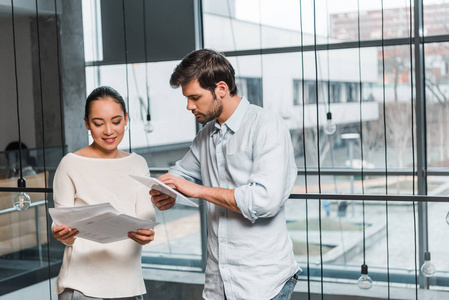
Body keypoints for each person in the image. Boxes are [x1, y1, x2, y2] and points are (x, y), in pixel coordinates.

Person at [150, 49, 301, 300]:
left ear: (221, 88)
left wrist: (198, 191)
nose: (189, 106)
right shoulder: (205, 137)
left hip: (262, 285)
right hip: (218, 284)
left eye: (195, 97)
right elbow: (180, 173)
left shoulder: (267, 125)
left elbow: (265, 201)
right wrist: (167, 191)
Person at [52, 86, 155, 300]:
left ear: (126, 119)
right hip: (81, 286)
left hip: (128, 285)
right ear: (87, 123)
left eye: (116, 121)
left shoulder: (137, 163)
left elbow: (145, 211)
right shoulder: (70, 164)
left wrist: (146, 230)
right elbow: (61, 219)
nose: (109, 131)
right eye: (98, 123)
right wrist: (62, 234)